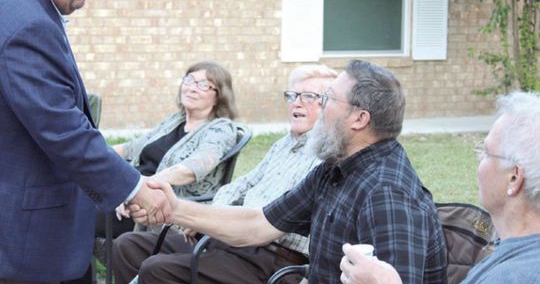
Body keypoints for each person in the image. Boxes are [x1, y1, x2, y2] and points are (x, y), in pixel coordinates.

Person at [130, 60, 448, 284]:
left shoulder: (387, 193)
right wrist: (174, 209)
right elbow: (258, 224)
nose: (318, 108)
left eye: (326, 99)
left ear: (359, 119)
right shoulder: (333, 171)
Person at [0, 0, 170, 283]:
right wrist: (133, 188)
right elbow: (62, 128)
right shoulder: (27, 22)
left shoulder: (13, 0)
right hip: (29, 246)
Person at [112, 64, 337, 284]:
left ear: (331, 105)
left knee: (157, 270)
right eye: (292, 95)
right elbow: (237, 186)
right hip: (230, 238)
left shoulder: (325, 155)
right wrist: (213, 218)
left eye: (308, 96)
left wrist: (210, 219)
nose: (296, 103)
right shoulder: (283, 144)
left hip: (270, 256)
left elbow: (272, 218)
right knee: (128, 247)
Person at [339, 91, 540, 284]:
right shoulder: (517, 254)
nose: (479, 159)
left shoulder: (514, 276)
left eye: (487, 152)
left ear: (514, 177)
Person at [70, 60, 239, 284]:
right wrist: (87, 155)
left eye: (203, 85)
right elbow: (133, 147)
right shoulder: (174, 121)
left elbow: (193, 168)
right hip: (131, 194)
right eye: (189, 80)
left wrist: (134, 187)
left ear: (219, 95)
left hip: (157, 207)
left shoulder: (220, 128)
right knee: (73, 204)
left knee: (77, 219)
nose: (191, 87)